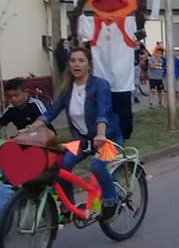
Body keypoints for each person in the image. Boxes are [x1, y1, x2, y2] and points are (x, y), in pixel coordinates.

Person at [24, 47, 122, 220]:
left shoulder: (100, 85)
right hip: (82, 141)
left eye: (81, 60)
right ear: (68, 65)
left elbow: (103, 112)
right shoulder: (67, 90)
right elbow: (50, 114)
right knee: (60, 166)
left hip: (108, 138)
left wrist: (101, 134)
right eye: (73, 61)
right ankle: (68, 206)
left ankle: (110, 200)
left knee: (97, 166)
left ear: (89, 64)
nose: (76, 64)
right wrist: (31, 128)